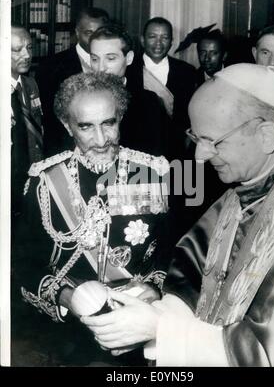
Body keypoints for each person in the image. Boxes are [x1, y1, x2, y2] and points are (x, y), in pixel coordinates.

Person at [80, 64, 274, 367]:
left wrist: (161, 330)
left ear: (266, 135)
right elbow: (191, 277)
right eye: (196, 139)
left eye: (212, 141)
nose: (200, 156)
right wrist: (152, 309)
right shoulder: (236, 195)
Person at [16, 72, 171, 366]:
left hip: (142, 327)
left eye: (109, 123)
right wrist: (67, 298)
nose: (101, 140)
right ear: (67, 125)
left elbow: (173, 253)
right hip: (67, 338)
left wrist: (152, 289)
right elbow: (23, 265)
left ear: (120, 118)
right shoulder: (44, 182)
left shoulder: (151, 174)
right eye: (86, 127)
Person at [35, 7, 109, 156]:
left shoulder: (117, 62)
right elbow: (50, 118)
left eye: (99, 33)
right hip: (65, 149)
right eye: (88, 33)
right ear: (77, 32)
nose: (94, 39)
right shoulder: (50, 67)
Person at [89, 24, 169, 158]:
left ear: (129, 58)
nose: (100, 68)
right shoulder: (78, 100)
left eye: (110, 58)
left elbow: (159, 156)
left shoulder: (149, 102)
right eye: (95, 59)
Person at [126, 17, 197, 160]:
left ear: (171, 41)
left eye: (164, 37)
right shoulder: (127, 69)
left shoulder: (187, 72)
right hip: (136, 151)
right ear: (142, 40)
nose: (158, 43)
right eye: (152, 37)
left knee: (181, 182)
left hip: (176, 151)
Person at [11, 24, 44, 217]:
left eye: (29, 47)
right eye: (16, 50)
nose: (26, 55)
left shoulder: (30, 84)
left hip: (32, 175)